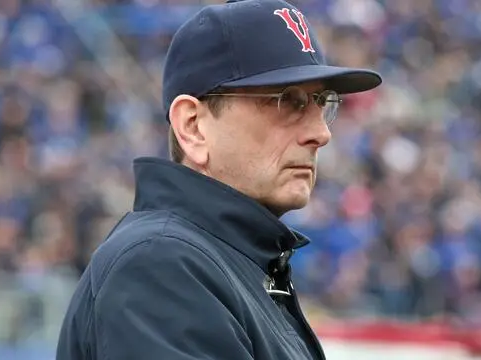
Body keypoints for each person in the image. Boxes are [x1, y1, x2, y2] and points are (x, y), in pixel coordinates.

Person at [56, 0, 381, 359]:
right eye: (289, 101)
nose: (321, 133)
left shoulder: (237, 262)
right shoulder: (161, 263)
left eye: (322, 101)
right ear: (193, 126)